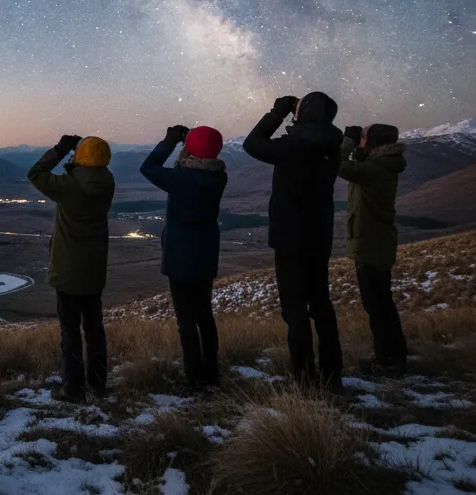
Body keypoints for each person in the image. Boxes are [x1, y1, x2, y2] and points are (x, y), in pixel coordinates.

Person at [243, 92, 344, 390]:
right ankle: (331, 372)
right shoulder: (332, 143)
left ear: (305, 114)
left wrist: (276, 114)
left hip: (290, 236)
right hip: (319, 235)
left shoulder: (295, 145)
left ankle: (303, 375)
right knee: (321, 305)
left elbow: (252, 144)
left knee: (295, 308)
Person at [28, 134, 115, 403]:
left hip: (67, 269)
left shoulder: (68, 185)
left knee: (70, 330)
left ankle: (73, 388)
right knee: (94, 328)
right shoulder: (108, 182)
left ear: (80, 158)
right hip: (94, 268)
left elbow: (35, 173)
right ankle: (98, 385)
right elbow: (86, 178)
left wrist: (60, 150)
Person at [141, 125, 227, 392]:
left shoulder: (182, 177)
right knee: (204, 315)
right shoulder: (218, 177)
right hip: (206, 253)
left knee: (186, 319)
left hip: (180, 254)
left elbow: (149, 167)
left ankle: (195, 377)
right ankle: (211, 372)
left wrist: (169, 141)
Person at [340, 123, 408, 376]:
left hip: (370, 242)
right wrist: (359, 148)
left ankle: (387, 360)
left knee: (376, 304)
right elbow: (356, 165)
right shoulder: (381, 165)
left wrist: (347, 142)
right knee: (382, 302)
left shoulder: (375, 169)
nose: (361, 140)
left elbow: (340, 166)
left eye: (364, 137)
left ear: (374, 142)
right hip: (376, 241)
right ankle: (393, 355)